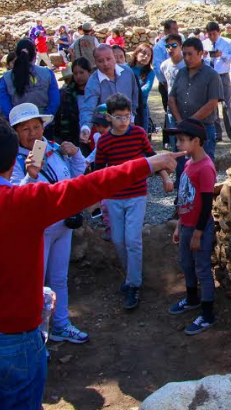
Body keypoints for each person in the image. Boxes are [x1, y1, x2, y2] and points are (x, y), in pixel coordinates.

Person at [0, 115, 182, 409]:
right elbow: (91, 185)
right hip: (14, 337)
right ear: (11, 158)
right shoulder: (22, 202)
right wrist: (149, 163)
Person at [8, 103, 89, 342]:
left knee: (59, 279)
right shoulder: (13, 161)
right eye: (25, 129)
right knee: (34, 284)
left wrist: (76, 154)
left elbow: (75, 176)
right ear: (16, 133)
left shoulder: (53, 149)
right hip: (36, 231)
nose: (33, 133)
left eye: (36, 127)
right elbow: (15, 198)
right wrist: (30, 174)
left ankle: (61, 324)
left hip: (62, 225)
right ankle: (34, 334)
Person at [95, 93, 173, 309]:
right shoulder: (104, 141)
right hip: (114, 196)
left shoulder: (138, 133)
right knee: (118, 239)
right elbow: (98, 170)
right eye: (119, 117)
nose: (124, 121)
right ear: (109, 117)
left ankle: (133, 284)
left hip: (137, 193)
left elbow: (151, 157)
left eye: (127, 116)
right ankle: (131, 276)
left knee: (133, 239)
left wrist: (165, 175)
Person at [167, 118, 218, 334]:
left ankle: (207, 314)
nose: (178, 145)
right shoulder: (188, 164)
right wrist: (180, 224)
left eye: (181, 140)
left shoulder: (205, 168)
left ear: (196, 141)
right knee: (186, 264)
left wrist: (198, 233)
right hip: (187, 225)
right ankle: (192, 298)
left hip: (200, 228)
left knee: (202, 268)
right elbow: (184, 197)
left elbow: (207, 203)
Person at [168, 37, 222, 160]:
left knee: (203, 165)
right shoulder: (181, 73)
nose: (186, 58)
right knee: (181, 165)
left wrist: (190, 122)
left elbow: (212, 103)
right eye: (184, 54)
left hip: (203, 128)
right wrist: (180, 121)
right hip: (181, 128)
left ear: (200, 53)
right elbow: (171, 98)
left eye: (190, 54)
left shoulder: (212, 75)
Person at [79, 45, 140, 144]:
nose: (106, 64)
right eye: (100, 61)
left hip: (128, 125)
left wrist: (131, 118)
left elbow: (134, 97)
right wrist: (86, 127)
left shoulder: (127, 72)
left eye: (108, 59)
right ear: (95, 62)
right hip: (106, 131)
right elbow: (88, 108)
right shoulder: (93, 81)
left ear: (114, 57)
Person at [0, 38, 60, 118]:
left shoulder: (6, 78)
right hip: (43, 121)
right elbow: (54, 101)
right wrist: (44, 120)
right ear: (34, 55)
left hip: (18, 123)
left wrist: (16, 122)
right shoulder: (47, 73)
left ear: (16, 55)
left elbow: (5, 106)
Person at [204, 21, 231, 142]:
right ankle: (217, 134)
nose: (212, 37)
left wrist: (222, 55)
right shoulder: (204, 44)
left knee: (226, 105)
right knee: (212, 106)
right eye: (209, 34)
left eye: (214, 34)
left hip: (223, 75)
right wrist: (204, 56)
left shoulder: (227, 42)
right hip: (209, 76)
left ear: (218, 32)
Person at [52, 57, 93, 149]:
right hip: (71, 138)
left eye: (81, 72)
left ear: (89, 72)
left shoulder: (96, 91)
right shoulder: (66, 94)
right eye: (75, 73)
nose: (78, 76)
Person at [153, 20, 181, 148]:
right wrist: (164, 82)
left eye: (177, 29)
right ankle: (168, 139)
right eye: (173, 29)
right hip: (166, 84)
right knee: (169, 111)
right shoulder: (159, 47)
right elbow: (157, 67)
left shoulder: (181, 41)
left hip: (179, 84)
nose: (176, 31)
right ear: (166, 31)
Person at [160, 34, 186, 148]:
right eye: (168, 46)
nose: (171, 48)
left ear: (181, 46)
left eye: (174, 45)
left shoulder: (187, 64)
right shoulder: (164, 65)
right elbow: (166, 84)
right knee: (174, 142)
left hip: (187, 106)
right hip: (171, 107)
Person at [130, 43, 157, 132]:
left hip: (141, 108)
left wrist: (131, 91)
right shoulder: (127, 68)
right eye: (143, 53)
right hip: (126, 108)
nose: (146, 57)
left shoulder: (150, 73)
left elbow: (146, 89)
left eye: (149, 55)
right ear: (136, 53)